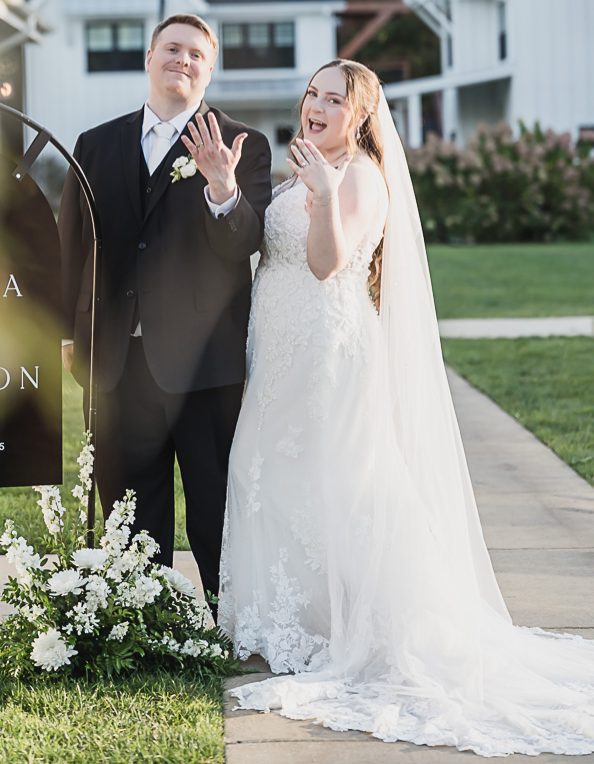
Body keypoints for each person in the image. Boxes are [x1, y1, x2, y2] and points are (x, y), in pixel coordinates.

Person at [221, 58, 594, 756]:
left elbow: (329, 264)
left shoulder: (357, 175)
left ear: (359, 116)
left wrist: (326, 196)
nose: (318, 106)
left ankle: (345, 632)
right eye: (313, 94)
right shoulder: (306, 160)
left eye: (335, 100)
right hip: (278, 355)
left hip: (327, 361)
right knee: (268, 479)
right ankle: (287, 622)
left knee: (333, 489)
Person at [58, 13, 272, 606]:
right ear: (149, 57)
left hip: (206, 366)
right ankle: (141, 619)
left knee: (215, 505)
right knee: (127, 504)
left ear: (211, 67)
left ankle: (230, 620)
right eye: (171, 48)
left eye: (196, 54)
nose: (182, 60)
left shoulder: (243, 146)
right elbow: (73, 246)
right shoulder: (94, 145)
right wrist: (64, 334)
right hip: (115, 359)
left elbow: (243, 244)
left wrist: (222, 189)